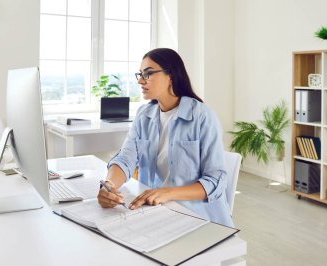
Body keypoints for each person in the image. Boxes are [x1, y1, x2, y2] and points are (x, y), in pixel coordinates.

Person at [97, 48, 233, 227]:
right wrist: (110, 185)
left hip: (199, 216)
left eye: (148, 73)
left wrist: (168, 192)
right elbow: (126, 158)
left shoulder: (202, 116)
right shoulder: (144, 115)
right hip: (157, 210)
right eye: (140, 74)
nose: (140, 80)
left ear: (171, 76)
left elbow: (216, 180)